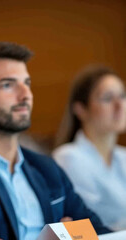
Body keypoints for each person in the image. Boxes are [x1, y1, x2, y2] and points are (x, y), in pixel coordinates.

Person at [0, 42, 111, 240]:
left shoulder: (46, 168)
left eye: (27, 83)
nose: (25, 95)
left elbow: (102, 235)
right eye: (7, 85)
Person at [53, 65, 126, 231]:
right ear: (81, 109)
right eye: (107, 98)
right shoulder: (69, 157)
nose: (119, 105)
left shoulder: (124, 157)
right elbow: (88, 221)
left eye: (122, 96)